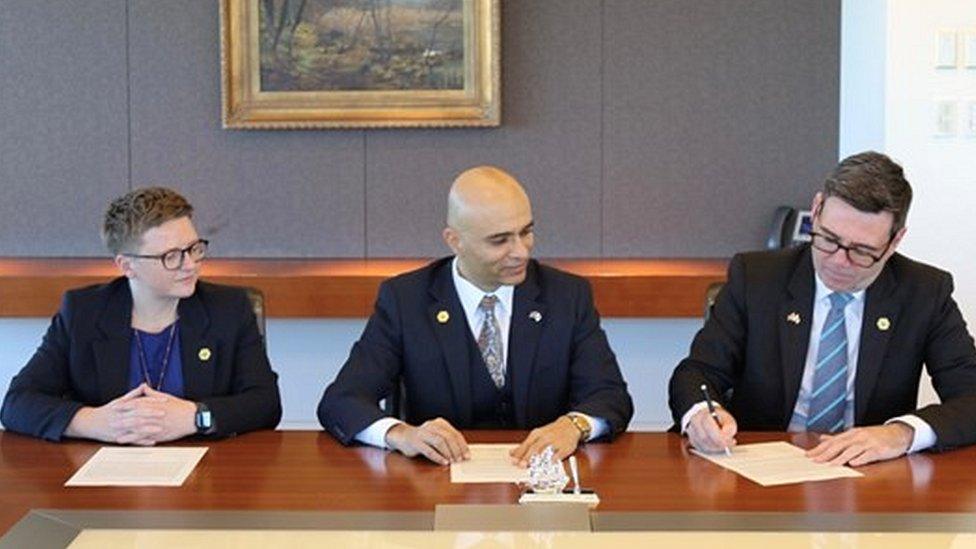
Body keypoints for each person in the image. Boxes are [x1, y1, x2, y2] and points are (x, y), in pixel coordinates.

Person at [669, 151, 976, 466]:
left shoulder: (924, 291)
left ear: (895, 241)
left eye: (862, 251)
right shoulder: (757, 277)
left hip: (870, 479)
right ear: (816, 211)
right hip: (760, 471)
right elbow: (698, 372)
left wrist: (902, 433)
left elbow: (971, 396)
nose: (838, 261)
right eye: (829, 239)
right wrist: (702, 415)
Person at [318, 166, 633, 465]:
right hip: (434, 486)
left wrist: (573, 425)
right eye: (500, 240)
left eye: (526, 232)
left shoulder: (567, 296)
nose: (521, 251)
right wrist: (401, 434)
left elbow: (610, 395)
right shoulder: (405, 300)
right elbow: (342, 400)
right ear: (455, 240)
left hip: (544, 485)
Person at [1, 187, 282, 444]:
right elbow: (17, 403)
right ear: (127, 266)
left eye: (194, 249)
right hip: (105, 478)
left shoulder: (228, 309)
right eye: (171, 256)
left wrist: (196, 417)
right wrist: (94, 422)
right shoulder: (83, 312)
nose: (190, 265)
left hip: (205, 476)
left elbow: (265, 403)